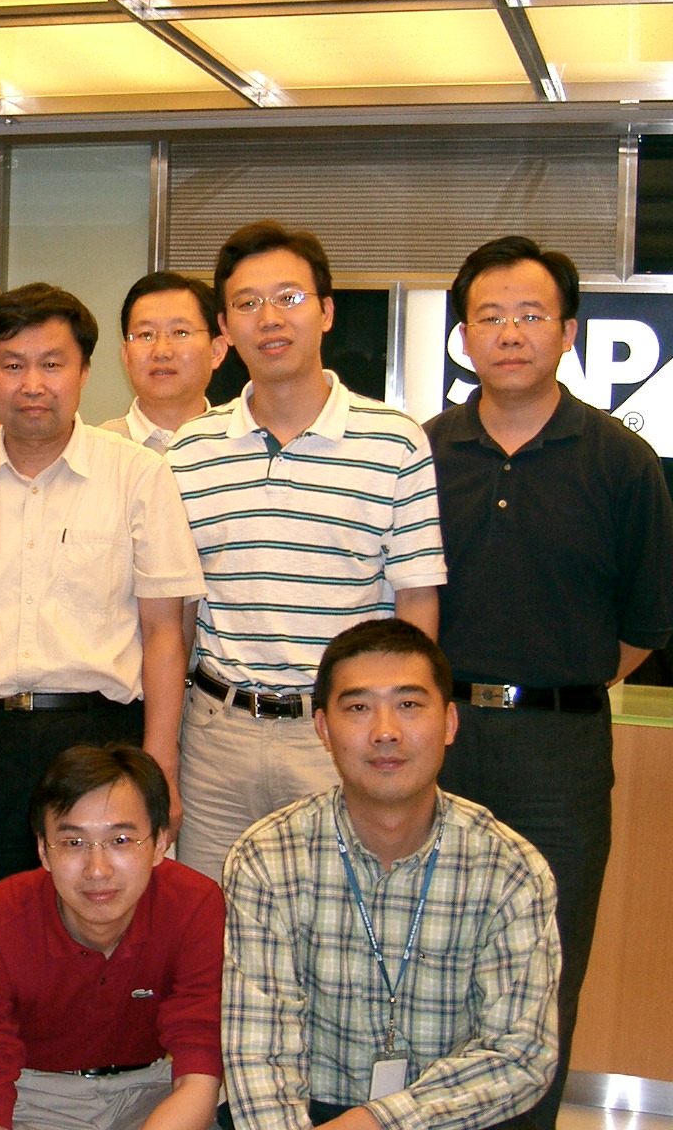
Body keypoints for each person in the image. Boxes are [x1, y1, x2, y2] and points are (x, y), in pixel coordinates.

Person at [425, 236, 673, 1130]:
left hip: (561, 754)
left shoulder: (620, 460)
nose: (510, 333)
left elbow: (646, 624)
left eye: (531, 315)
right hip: (437, 741)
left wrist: (553, 682)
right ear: (463, 337)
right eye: (489, 317)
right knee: (430, 960)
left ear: (568, 331)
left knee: (543, 970)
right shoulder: (424, 451)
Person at [0, 282, 202, 905]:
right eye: (12, 366)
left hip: (99, 741)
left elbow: (164, 633)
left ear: (85, 371)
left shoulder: (138, 476)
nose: (33, 385)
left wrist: (160, 767)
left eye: (52, 364)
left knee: (98, 926)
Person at [167, 221, 446, 883]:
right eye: (247, 303)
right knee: (215, 921)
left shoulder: (396, 441)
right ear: (225, 327)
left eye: (289, 298)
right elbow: (175, 616)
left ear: (326, 311)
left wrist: (402, 728)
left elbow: (416, 603)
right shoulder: (189, 450)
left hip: (340, 732)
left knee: (342, 916)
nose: (269, 318)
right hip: (215, 736)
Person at [221, 618, 560, 1130]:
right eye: (358, 708)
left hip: (447, 1114)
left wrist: (377, 1122)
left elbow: (521, 1054)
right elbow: (258, 1057)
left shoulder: (509, 869)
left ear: (449, 723)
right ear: (323, 729)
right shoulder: (266, 859)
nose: (385, 731)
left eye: (409, 704)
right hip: (305, 1114)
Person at [0, 743, 223, 1130]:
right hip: (33, 1098)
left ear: (160, 842)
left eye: (120, 840)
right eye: (73, 843)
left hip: (156, 1090)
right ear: (43, 850)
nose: (97, 869)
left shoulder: (195, 904)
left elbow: (199, 1065)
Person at [100, 272, 228, 454]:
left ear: (216, 352)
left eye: (180, 332)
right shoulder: (96, 452)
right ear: (126, 355)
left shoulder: (244, 449)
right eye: (146, 335)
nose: (161, 352)